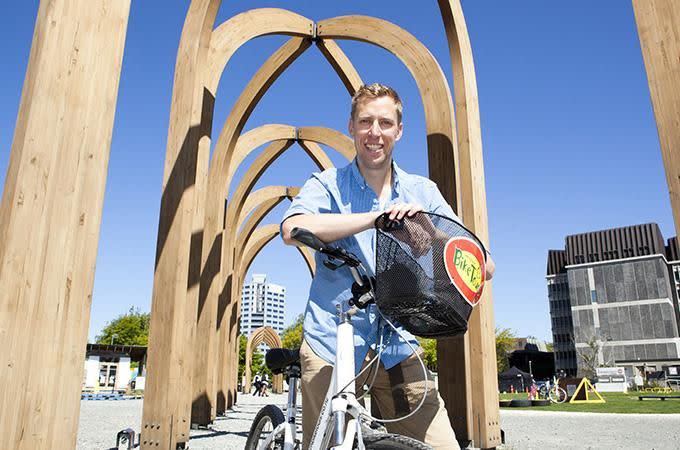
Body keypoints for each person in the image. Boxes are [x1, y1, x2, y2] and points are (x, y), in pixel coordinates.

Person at [281, 83, 495, 450]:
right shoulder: (327, 184)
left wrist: (430, 233)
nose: (374, 132)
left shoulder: (421, 192)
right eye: (365, 122)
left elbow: (484, 264)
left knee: (442, 446)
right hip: (332, 341)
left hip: (398, 342)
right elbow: (292, 228)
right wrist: (373, 219)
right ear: (351, 127)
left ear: (399, 130)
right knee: (324, 445)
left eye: (384, 122)